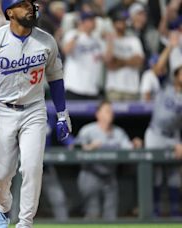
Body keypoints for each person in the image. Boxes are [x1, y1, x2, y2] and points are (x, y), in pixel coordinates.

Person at [0, 0, 72, 227]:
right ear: (10, 12)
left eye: (30, 4)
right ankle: (3, 207)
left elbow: (56, 80)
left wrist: (62, 114)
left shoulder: (46, 40)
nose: (31, 8)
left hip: (35, 109)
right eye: (23, 4)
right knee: (1, 174)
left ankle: (25, 223)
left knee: (33, 168)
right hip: (4, 110)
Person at [75, 100, 142, 220]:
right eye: (107, 111)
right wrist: (89, 147)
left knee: (111, 217)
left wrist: (135, 144)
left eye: (111, 111)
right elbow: (75, 149)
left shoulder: (118, 132)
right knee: (93, 214)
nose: (110, 113)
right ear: (98, 114)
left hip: (109, 176)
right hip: (91, 174)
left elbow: (128, 147)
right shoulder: (88, 130)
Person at [144, 63, 182, 217]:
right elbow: (157, 67)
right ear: (176, 76)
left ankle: (175, 213)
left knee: (174, 176)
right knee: (156, 175)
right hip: (156, 134)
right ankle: (153, 212)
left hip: (173, 136)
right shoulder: (165, 88)